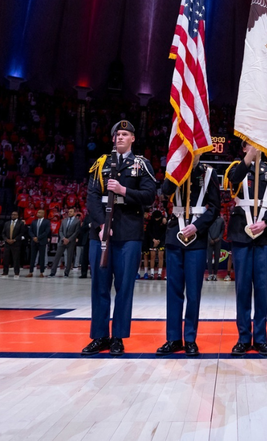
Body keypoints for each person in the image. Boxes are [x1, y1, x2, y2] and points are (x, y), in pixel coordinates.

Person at [82, 121, 157, 357]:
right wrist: (101, 224)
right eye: (117, 134)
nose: (120, 137)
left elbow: (149, 196)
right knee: (99, 286)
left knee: (124, 287)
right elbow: (92, 197)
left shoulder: (141, 164)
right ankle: (99, 336)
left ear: (133, 138)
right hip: (102, 232)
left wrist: (125, 191)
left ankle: (118, 337)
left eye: (125, 134)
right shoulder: (101, 163)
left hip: (129, 233)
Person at [224, 142, 267, 356]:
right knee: (242, 288)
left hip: (265, 234)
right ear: (243, 147)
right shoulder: (235, 166)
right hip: (242, 232)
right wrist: (248, 157)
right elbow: (232, 182)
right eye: (251, 143)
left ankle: (260, 338)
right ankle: (243, 337)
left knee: (262, 288)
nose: (256, 146)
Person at [156, 160, 220, 356]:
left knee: (193, 292)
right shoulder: (175, 166)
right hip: (175, 233)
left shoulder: (208, 172)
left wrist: (198, 226)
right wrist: (177, 167)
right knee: (174, 291)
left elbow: (215, 206)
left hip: (196, 236)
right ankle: (173, 339)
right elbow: (165, 191)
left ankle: (190, 338)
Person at [50, 208, 81, 277]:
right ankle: (52, 272)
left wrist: (69, 239)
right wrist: (63, 238)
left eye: (71, 211)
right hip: (62, 240)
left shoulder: (77, 221)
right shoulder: (64, 220)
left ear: (74, 213)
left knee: (69, 257)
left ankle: (66, 273)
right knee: (57, 256)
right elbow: (60, 230)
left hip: (71, 241)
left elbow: (76, 232)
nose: (69, 213)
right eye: (69, 211)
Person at [1, 211, 27, 278]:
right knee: (6, 258)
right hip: (7, 243)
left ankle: (16, 273)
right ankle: (5, 272)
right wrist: (6, 239)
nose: (13, 216)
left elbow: (22, 233)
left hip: (16, 243)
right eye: (12, 214)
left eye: (15, 215)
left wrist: (14, 240)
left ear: (17, 216)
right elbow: (3, 233)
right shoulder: (7, 223)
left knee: (16, 259)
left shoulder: (20, 223)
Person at [27, 210, 51, 277]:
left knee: (42, 257)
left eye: (39, 212)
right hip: (34, 241)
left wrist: (38, 238)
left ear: (43, 214)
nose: (38, 213)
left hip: (42, 241)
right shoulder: (34, 221)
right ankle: (31, 271)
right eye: (37, 212)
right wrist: (33, 237)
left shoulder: (47, 222)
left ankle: (42, 272)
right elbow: (30, 230)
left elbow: (46, 232)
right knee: (32, 257)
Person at [207, 211, 225, 281]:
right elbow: (206, 230)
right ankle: (210, 274)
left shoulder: (221, 220)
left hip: (218, 241)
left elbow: (222, 230)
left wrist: (219, 238)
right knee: (209, 258)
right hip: (209, 241)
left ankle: (215, 274)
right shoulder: (209, 219)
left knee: (217, 258)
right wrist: (209, 239)